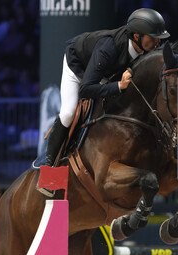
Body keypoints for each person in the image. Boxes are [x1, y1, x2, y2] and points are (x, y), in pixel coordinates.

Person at [37, 8, 170, 197]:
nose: (158, 41)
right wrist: (118, 87)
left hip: (107, 72)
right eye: (153, 37)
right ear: (137, 36)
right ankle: (49, 169)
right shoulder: (109, 48)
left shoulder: (145, 49)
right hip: (79, 68)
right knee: (68, 112)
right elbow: (86, 88)